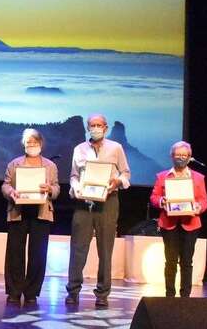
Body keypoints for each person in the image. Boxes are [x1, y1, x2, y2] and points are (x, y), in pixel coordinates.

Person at [65, 114, 131, 308]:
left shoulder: (116, 148)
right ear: (87, 128)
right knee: (78, 248)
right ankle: (73, 290)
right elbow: (73, 176)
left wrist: (117, 181)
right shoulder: (79, 149)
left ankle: (102, 293)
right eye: (92, 125)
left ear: (106, 127)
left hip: (108, 201)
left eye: (98, 125)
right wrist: (76, 187)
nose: (95, 128)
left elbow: (126, 173)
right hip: (83, 203)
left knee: (105, 249)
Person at [1, 128, 60, 304]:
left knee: (38, 253)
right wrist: (11, 191)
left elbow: (56, 188)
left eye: (35, 142)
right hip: (18, 211)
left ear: (41, 144)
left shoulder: (50, 165)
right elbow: (5, 185)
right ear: (24, 145)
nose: (31, 145)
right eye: (28, 142)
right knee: (15, 253)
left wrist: (50, 189)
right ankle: (14, 291)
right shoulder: (14, 164)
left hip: (41, 212)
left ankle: (31, 292)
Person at [149, 141, 207, 297]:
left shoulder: (198, 178)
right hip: (169, 224)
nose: (181, 158)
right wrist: (162, 201)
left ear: (189, 157)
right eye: (178, 155)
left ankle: (185, 296)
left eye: (184, 155)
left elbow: (204, 200)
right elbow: (154, 197)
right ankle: (170, 294)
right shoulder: (162, 176)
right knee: (170, 262)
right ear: (172, 156)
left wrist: (198, 207)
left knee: (186, 262)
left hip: (190, 224)